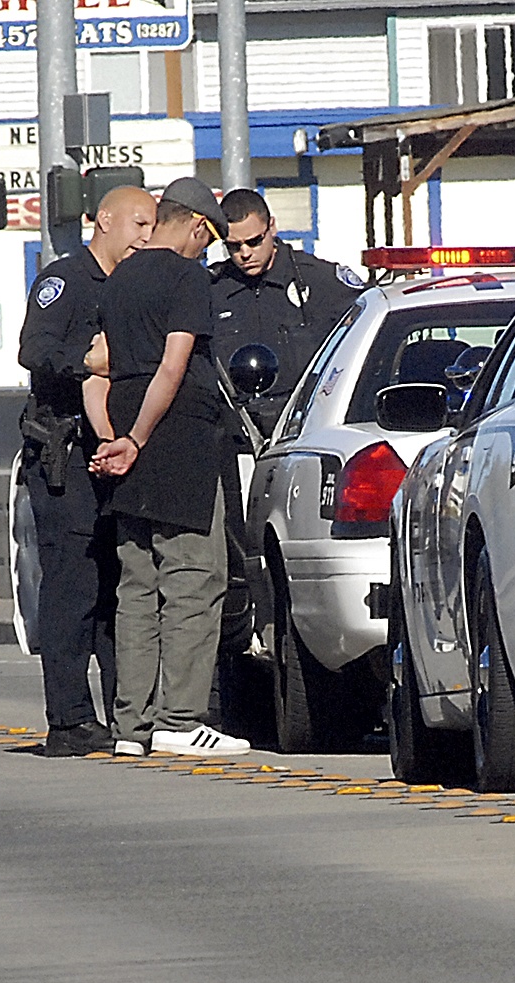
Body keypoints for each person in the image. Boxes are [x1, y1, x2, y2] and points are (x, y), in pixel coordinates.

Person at [86, 177, 251, 758]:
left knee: (137, 583)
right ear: (197, 227)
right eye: (209, 241)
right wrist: (135, 438)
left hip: (127, 427)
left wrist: (114, 435)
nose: (207, 254)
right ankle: (181, 720)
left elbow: (98, 367)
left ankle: (132, 725)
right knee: (194, 577)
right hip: (174, 436)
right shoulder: (186, 278)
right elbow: (174, 366)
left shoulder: (118, 278)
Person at [18, 185, 157, 757]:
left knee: (117, 589)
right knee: (72, 589)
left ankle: (124, 713)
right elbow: (34, 348)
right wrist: (86, 361)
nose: (146, 237)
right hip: (68, 457)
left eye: (153, 226)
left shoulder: (136, 284)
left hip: (117, 456)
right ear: (104, 221)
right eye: (139, 224)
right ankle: (68, 717)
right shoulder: (67, 280)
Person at [210, 188, 366, 434]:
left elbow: (368, 335)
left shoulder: (317, 279)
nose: (245, 253)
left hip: (306, 427)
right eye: (233, 246)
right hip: (236, 432)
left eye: (254, 241)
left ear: (271, 227)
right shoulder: (213, 289)